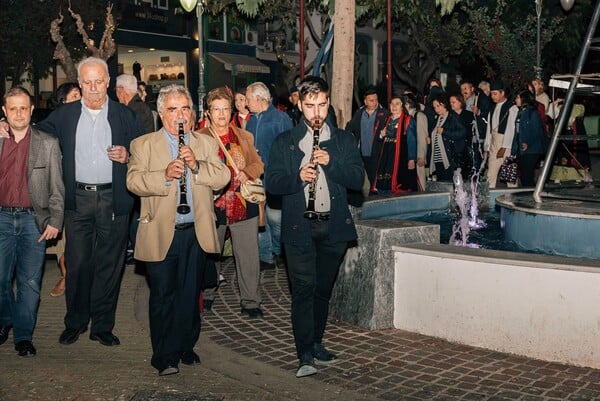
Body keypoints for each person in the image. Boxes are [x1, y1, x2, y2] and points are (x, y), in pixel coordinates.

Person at [36, 56, 142, 347]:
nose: (93, 88)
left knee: (110, 266)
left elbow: (145, 154)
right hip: (78, 200)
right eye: (87, 82)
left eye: (99, 81)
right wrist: (7, 127)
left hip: (114, 200)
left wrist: (128, 157)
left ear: (108, 83)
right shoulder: (65, 115)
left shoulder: (125, 116)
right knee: (78, 264)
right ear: (79, 84)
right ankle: (76, 322)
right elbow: (34, 135)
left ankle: (103, 326)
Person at [127, 84, 230, 376]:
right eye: (173, 109)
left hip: (194, 233)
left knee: (189, 294)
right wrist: (163, 176)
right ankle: (164, 355)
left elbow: (222, 176)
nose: (180, 115)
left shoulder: (205, 143)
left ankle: (186, 345)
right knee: (162, 296)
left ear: (193, 114)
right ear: (161, 114)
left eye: (185, 108)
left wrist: (196, 166)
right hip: (161, 232)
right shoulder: (143, 144)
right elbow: (133, 182)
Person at [266, 76, 364, 378]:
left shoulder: (344, 140)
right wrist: (298, 176)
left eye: (322, 104)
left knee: (322, 290)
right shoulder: (285, 142)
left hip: (332, 227)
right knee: (303, 290)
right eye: (310, 106)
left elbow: (357, 179)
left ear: (328, 102)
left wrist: (331, 162)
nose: (317, 112)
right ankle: (304, 352)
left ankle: (317, 342)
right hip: (299, 228)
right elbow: (272, 184)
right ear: (299, 104)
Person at [0, 87, 65, 357]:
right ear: (4, 111)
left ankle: (23, 336)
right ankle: (5, 321)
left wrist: (55, 221)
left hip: (33, 222)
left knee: (29, 282)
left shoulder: (47, 142)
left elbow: (57, 188)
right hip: (1, 219)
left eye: (23, 108)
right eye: (12, 108)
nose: (18, 113)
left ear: (31, 110)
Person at [199, 87, 264, 317]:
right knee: (210, 254)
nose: (222, 114)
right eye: (216, 109)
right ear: (208, 112)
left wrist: (247, 172)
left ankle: (251, 302)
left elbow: (258, 164)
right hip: (212, 206)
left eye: (226, 109)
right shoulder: (200, 138)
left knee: (248, 257)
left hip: (243, 204)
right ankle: (207, 294)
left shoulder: (244, 136)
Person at [245, 82, 293, 270]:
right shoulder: (250, 120)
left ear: (258, 98)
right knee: (259, 217)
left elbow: (289, 149)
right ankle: (266, 257)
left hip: (274, 177)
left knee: (275, 218)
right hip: (255, 177)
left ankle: (279, 251)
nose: (247, 103)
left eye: (248, 99)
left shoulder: (281, 118)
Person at [45, 82, 81, 297]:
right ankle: (66, 275)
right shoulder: (55, 125)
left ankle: (72, 276)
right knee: (62, 238)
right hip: (59, 189)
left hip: (81, 190)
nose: (79, 100)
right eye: (74, 96)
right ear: (63, 102)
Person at [370, 94, 417, 194]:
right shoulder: (387, 119)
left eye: (397, 104)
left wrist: (412, 159)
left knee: (399, 186)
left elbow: (411, 140)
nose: (394, 106)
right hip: (386, 155)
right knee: (383, 183)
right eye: (392, 104)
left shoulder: (408, 120)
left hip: (400, 157)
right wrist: (381, 135)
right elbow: (380, 137)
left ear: (402, 106)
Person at [345, 87, 389, 186]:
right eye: (371, 100)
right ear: (365, 102)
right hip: (361, 155)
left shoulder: (384, 114)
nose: (374, 102)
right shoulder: (359, 113)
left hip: (377, 155)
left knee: (376, 182)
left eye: (376, 100)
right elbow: (350, 128)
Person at [483, 81, 519, 188]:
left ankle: (512, 200)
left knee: (509, 176)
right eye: (491, 94)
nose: (492, 96)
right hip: (494, 143)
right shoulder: (492, 109)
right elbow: (489, 130)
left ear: (502, 93)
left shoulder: (512, 108)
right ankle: (490, 201)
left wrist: (504, 147)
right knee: (491, 174)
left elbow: (511, 130)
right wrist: (487, 148)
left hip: (506, 145)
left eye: (495, 94)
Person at [428, 94, 468, 181]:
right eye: (434, 107)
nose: (436, 109)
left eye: (438, 106)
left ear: (444, 104)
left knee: (449, 184)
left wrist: (445, 132)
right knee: (441, 184)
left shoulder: (452, 117)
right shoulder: (436, 120)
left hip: (449, 158)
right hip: (437, 158)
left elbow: (463, 132)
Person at [513, 89, 546, 187]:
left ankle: (531, 195)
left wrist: (528, 143)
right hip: (521, 149)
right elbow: (517, 133)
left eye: (518, 97)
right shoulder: (520, 113)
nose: (516, 100)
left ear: (524, 99)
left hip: (532, 150)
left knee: (527, 175)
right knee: (523, 175)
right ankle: (528, 195)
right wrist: (514, 150)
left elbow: (537, 132)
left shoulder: (533, 113)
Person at [404, 94, 429, 191]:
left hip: (418, 156)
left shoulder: (419, 116)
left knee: (419, 183)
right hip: (410, 155)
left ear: (407, 104)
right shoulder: (407, 116)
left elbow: (422, 137)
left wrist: (421, 156)